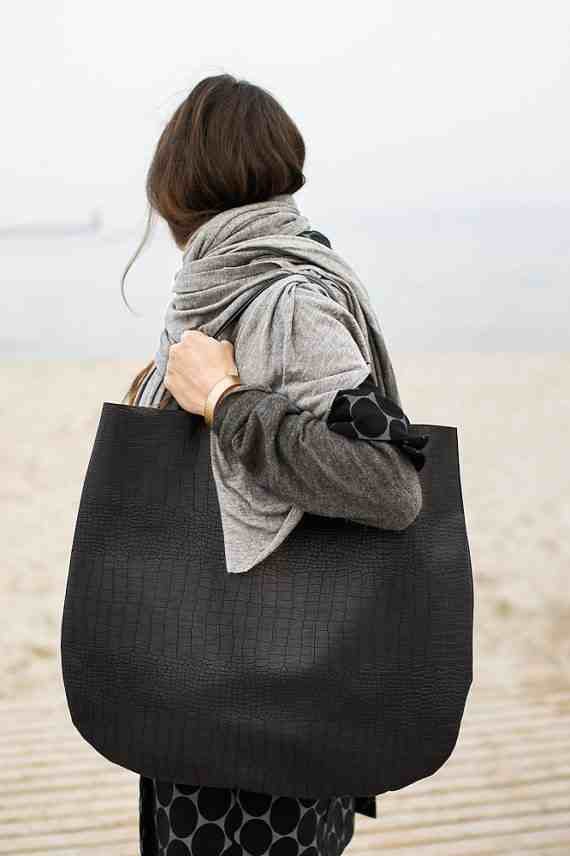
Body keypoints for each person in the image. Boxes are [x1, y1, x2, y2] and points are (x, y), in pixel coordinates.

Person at [123, 73, 427, 856]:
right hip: (210, 686)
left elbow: (390, 485)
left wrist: (227, 401)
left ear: (177, 190)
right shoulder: (218, 291)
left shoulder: (289, 301)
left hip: (265, 704)